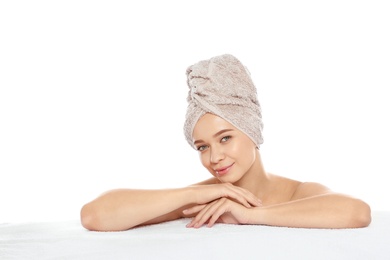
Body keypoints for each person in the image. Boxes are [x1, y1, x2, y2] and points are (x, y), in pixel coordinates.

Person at [80, 54, 371, 231]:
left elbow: (357, 212)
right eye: (202, 147)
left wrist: (250, 215)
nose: (214, 157)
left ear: (252, 130)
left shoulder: (299, 192)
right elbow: (94, 215)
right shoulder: (202, 199)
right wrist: (189, 196)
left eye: (225, 138)